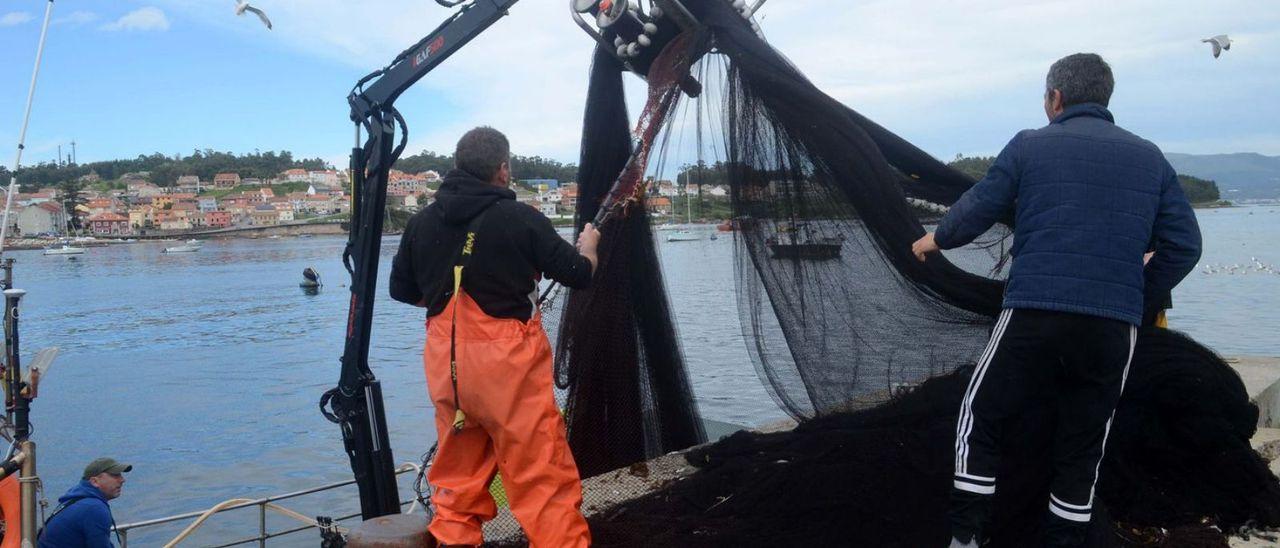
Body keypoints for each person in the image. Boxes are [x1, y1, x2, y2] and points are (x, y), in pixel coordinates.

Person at [911, 53, 1202, 547]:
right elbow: (1185, 245)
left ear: (1055, 98)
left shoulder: (1029, 145)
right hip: (1112, 327)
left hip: (1034, 312)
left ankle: (966, 538)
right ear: (1105, 99)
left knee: (980, 415)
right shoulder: (1151, 157)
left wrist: (935, 240)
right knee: (1084, 442)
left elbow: (980, 205)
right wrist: (1134, 297)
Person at [390, 126, 599, 547]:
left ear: (456, 167)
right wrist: (589, 246)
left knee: (457, 478)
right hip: (508, 371)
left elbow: (402, 291)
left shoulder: (421, 222)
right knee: (541, 477)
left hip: (448, 369)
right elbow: (578, 275)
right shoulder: (520, 218)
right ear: (502, 170)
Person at [38, 457, 131, 548]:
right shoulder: (93, 508)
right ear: (95, 481)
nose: (122, 480)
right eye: (115, 475)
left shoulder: (77, 498)